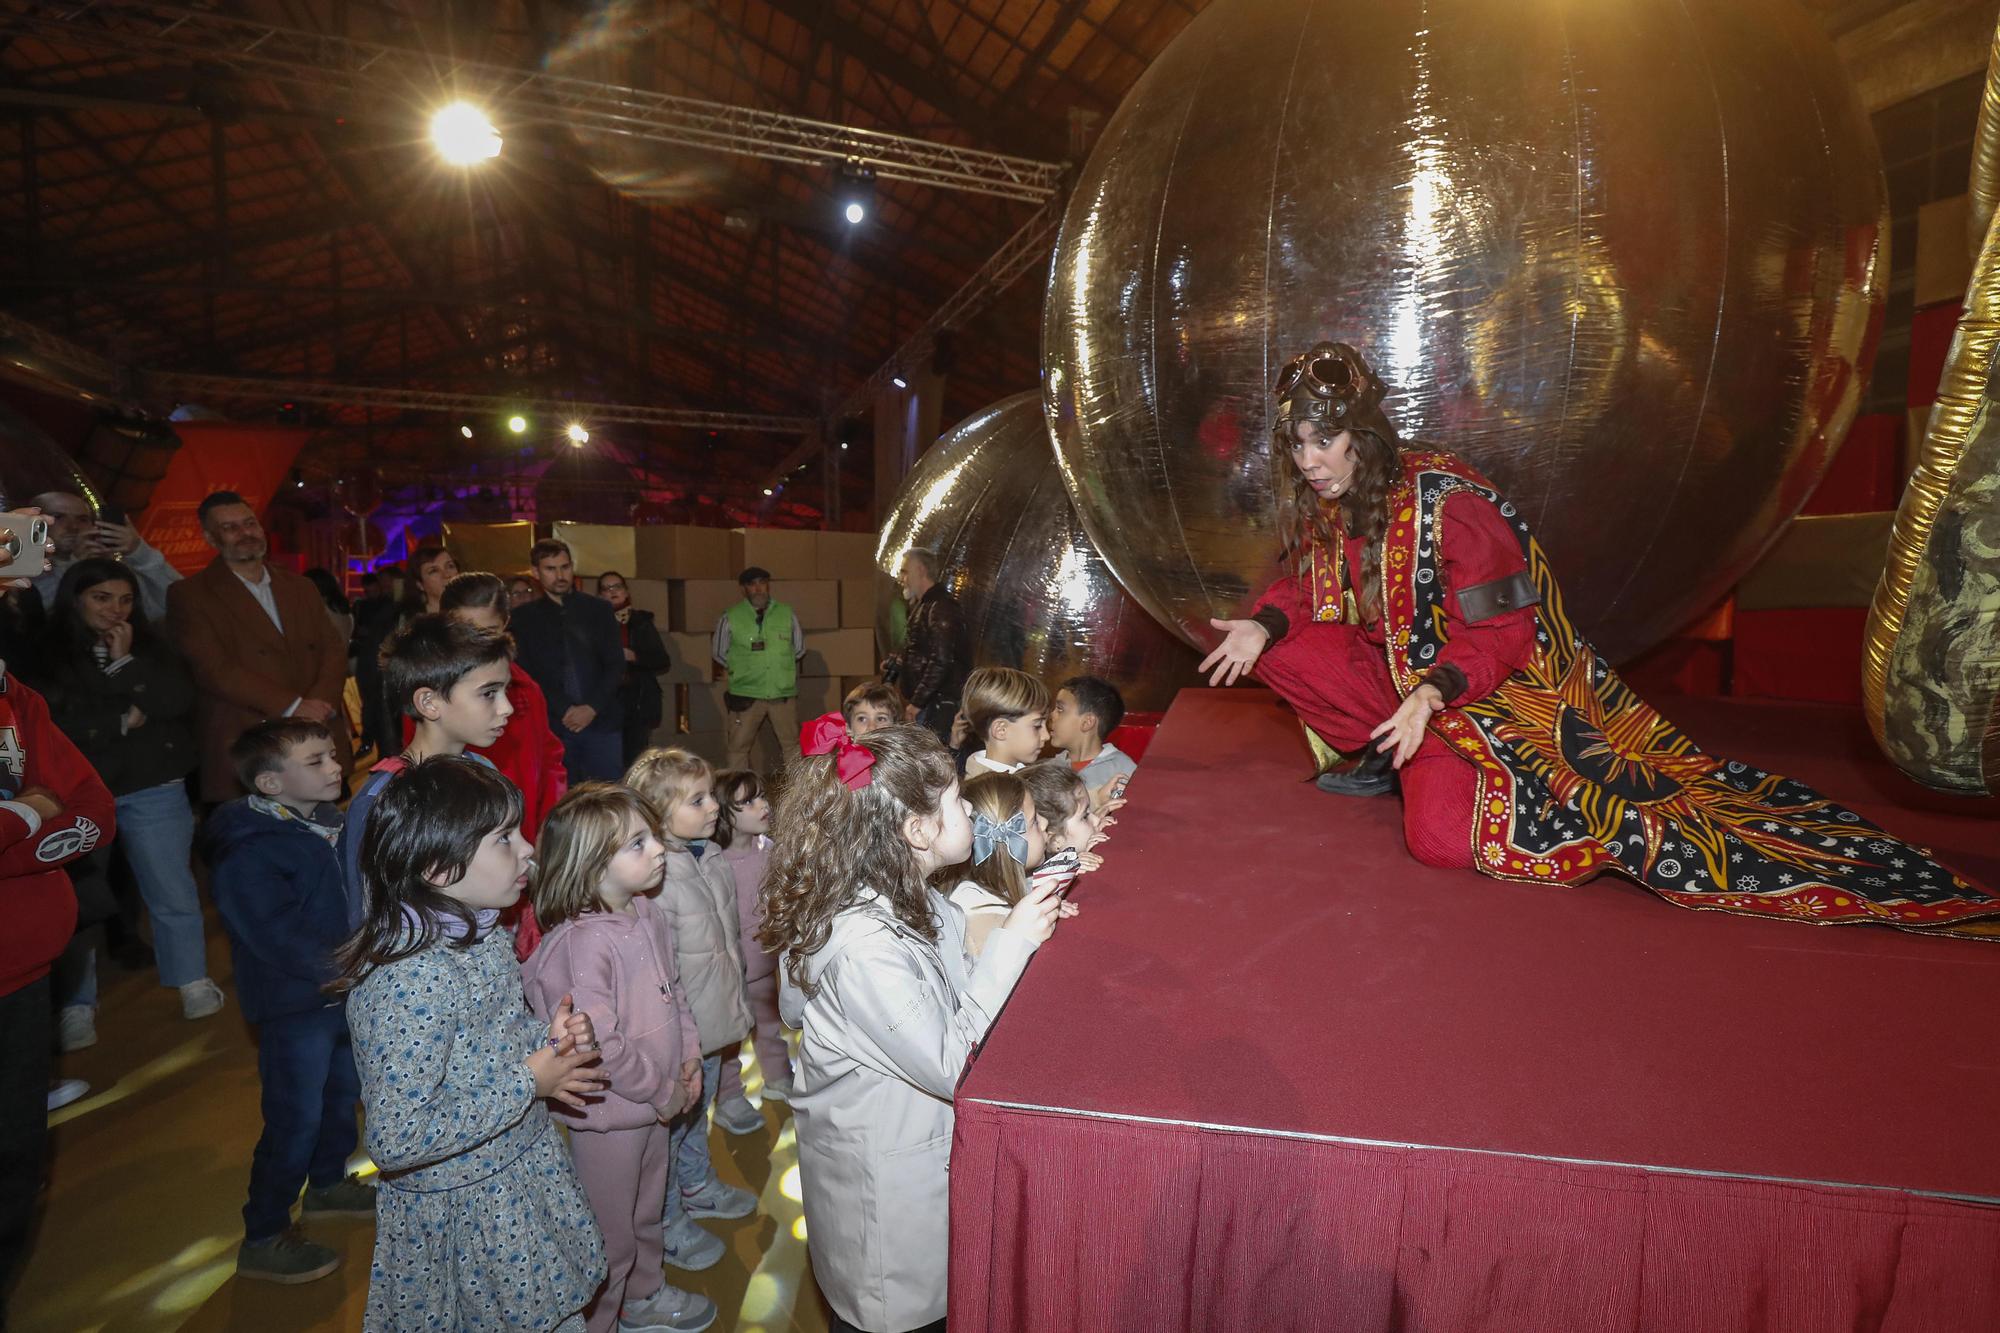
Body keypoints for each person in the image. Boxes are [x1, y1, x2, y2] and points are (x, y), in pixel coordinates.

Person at [1200, 340, 2000, 933]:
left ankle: (1434, 769)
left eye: (1324, 441)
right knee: (1284, 647)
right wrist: (1262, 623)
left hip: (1484, 691)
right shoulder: (1332, 505)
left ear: (1363, 438)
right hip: (1405, 686)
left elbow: (1506, 636)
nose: (1309, 460)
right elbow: (1299, 587)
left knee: (1440, 841)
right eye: (1298, 444)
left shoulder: (1449, 502)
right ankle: (1387, 761)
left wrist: (1430, 695)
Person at [764, 721, 1075, 1333]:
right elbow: (950, 1061)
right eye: (958, 800)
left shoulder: (919, 895)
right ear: (916, 830)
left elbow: (951, 986)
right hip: (886, 1187)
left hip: (915, 1151)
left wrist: (1018, 925)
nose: (969, 806)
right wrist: (1013, 942)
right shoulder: (863, 947)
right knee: (895, 1313)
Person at [333, 758, 608, 1331]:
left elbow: (485, 1049)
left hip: (517, 1177)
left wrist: (548, 1041)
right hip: (471, 1214)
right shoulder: (409, 980)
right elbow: (398, 1137)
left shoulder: (481, 936)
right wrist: (531, 1079)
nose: (529, 848)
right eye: (505, 838)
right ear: (437, 866)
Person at [521, 785, 717, 1333]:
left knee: (645, 1215)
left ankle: (645, 1295)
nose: (658, 849)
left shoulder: (646, 912)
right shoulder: (582, 944)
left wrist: (690, 1057)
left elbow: (673, 991)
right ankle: (599, 1319)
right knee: (610, 1231)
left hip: (653, 1105)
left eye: (652, 835)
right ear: (589, 866)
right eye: (638, 843)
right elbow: (599, 1043)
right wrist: (664, 1092)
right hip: (610, 1118)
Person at [208, 718, 372, 1284]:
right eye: (316, 762)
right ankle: (265, 1233)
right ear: (271, 785)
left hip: (342, 997)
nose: (335, 768)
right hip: (294, 1005)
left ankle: (327, 1186)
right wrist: (348, 968)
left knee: (342, 1095)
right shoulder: (248, 849)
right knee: (293, 1117)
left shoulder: (327, 824)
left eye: (332, 755)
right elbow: (273, 931)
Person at [41, 558, 221, 1028]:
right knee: (76, 900)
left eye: (125, 599)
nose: (115, 610)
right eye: (102, 598)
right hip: (76, 792)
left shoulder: (150, 645)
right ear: (75, 598)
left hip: (152, 784)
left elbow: (175, 703)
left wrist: (125, 663)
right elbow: (51, 720)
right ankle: (77, 1004)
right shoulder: (48, 650)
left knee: (171, 888)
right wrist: (119, 722)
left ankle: (191, 981)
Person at [0, 619, 116, 1325]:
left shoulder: (18, 696)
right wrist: (25, 811)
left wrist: (7, 835)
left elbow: (95, 814)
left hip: (23, 974)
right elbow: (52, 808)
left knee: (16, 1156)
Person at [622, 748, 757, 1274]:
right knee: (670, 1131)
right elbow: (660, 971)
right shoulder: (657, 880)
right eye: (696, 800)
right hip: (679, 1032)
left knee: (694, 1116)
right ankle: (666, 1218)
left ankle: (697, 1187)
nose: (713, 807)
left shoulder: (710, 857)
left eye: (710, 796)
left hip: (713, 1014)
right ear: (656, 813)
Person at [166, 491, 350, 802]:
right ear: (210, 538)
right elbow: (214, 669)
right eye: (230, 528)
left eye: (249, 523)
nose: (244, 534)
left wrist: (318, 704)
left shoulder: (301, 587)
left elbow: (333, 650)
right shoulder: (190, 595)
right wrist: (293, 707)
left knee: (330, 839)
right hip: (250, 740)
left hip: (317, 735)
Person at [338, 617, 514, 930]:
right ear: (429, 702)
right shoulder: (383, 798)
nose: (507, 708)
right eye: (489, 693)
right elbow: (366, 912)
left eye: (505, 691)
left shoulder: (484, 771)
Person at [513, 540, 627, 782]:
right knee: (561, 803)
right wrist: (565, 708)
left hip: (602, 720)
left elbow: (615, 664)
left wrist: (591, 708)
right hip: (554, 725)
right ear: (535, 572)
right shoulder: (523, 619)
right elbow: (528, 673)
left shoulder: (599, 609)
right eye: (550, 569)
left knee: (608, 801)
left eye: (565, 567)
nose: (560, 575)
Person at [711, 768, 790, 1110]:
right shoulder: (716, 862)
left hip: (765, 962)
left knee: (770, 1025)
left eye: (762, 796)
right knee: (729, 1040)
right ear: (724, 814)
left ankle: (778, 1078)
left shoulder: (769, 849)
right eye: (749, 801)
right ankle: (729, 1095)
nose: (763, 805)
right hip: (730, 969)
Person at [29, 489, 181, 624]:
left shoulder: (112, 566)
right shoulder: (18, 568)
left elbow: (175, 604)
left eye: (82, 519)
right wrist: (75, 567)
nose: (73, 527)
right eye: (58, 517)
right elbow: (33, 617)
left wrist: (138, 551)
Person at [710, 567, 804, 774]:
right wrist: (746, 669)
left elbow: (798, 650)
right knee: (737, 748)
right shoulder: (731, 617)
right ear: (744, 589)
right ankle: (738, 797)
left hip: (781, 693)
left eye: (762, 582)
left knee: (792, 747)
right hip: (746, 694)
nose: (758, 588)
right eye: (752, 584)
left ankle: (799, 796)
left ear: (768, 585)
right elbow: (718, 652)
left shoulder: (787, 614)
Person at [944, 772, 1047, 960]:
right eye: (1035, 822)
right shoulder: (981, 919)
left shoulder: (1000, 885)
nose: (1046, 823)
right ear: (1009, 844)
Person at [879, 547, 967, 744]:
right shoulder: (926, 606)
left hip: (937, 707)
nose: (901, 578)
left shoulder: (940, 608)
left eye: (904, 571)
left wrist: (918, 702)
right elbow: (928, 656)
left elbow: (941, 660)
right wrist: (901, 665)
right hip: (931, 704)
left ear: (920, 570)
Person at [597, 571, 671, 768]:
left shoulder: (641, 622)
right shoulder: (593, 623)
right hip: (605, 700)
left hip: (636, 700)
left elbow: (662, 660)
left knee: (636, 759)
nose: (612, 592)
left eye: (617, 587)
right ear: (600, 595)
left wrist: (634, 656)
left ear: (626, 591)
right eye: (606, 588)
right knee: (608, 759)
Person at [1048, 675, 1138, 808]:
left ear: (1087, 722)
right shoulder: (1049, 769)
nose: (1051, 715)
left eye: (1060, 709)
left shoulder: (1124, 771)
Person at [960, 666, 1050, 777]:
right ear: (1001, 729)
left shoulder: (1021, 777)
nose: (1046, 736)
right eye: (1037, 726)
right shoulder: (989, 792)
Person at [350, 571, 400, 758]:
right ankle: (374, 745)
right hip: (373, 665)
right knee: (375, 709)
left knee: (380, 710)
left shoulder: (393, 608)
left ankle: (375, 746)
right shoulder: (371, 607)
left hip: (379, 665)